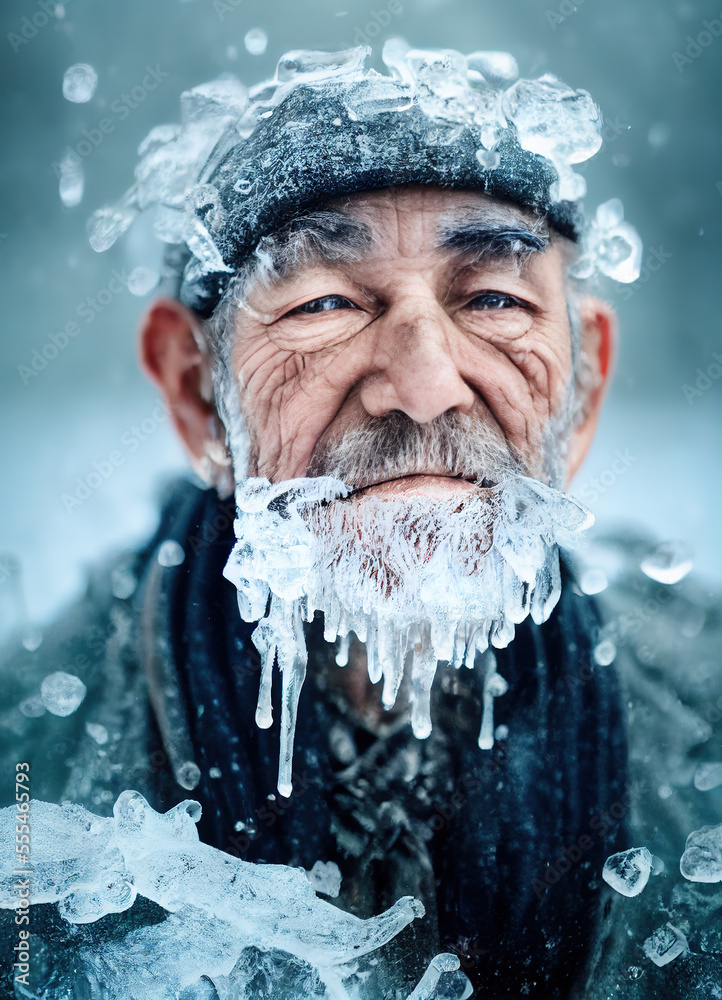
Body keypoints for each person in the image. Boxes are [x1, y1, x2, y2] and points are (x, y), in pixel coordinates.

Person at [1, 43, 720, 1000]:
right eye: (326, 302)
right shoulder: (31, 799)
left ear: (580, 387)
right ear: (195, 391)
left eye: (495, 298)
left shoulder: (704, 741)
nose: (424, 387)